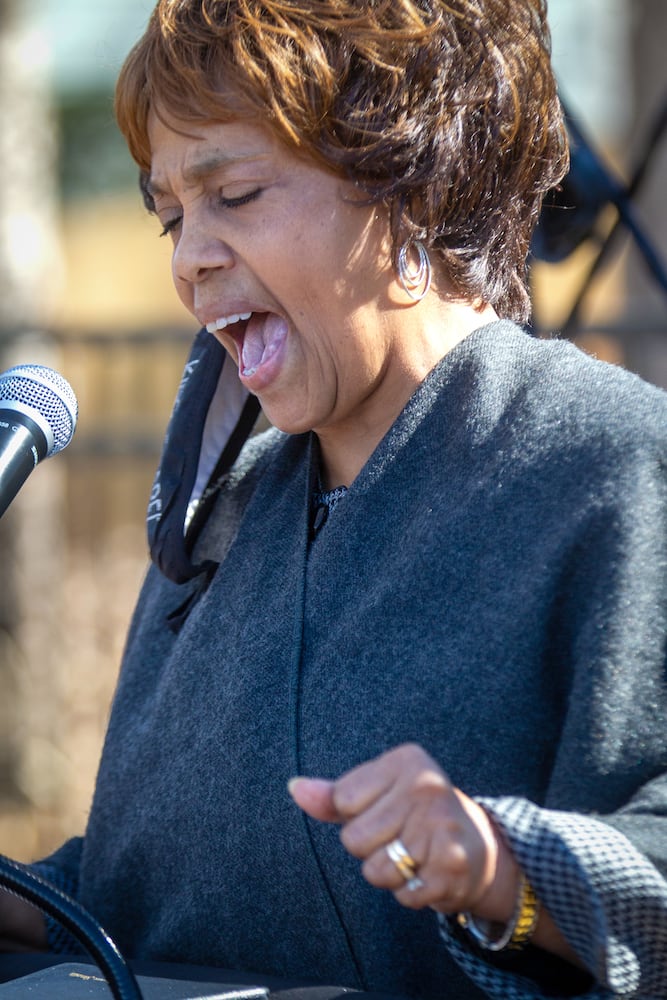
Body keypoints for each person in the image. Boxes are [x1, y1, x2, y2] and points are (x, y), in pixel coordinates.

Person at [2, 1, 667, 997]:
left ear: (413, 184)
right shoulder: (217, 518)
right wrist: (25, 900)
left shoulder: (612, 470)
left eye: (235, 192)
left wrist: (500, 867)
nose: (188, 259)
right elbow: (149, 893)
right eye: (172, 216)